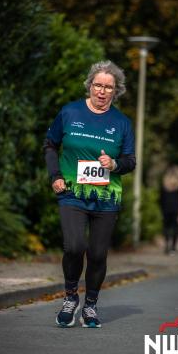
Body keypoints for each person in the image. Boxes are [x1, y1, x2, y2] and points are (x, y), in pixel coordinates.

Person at [44, 60, 136, 328]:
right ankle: (71, 297)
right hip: (72, 192)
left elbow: (130, 161)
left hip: (107, 198)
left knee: (97, 254)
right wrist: (55, 176)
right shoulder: (70, 112)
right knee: (74, 246)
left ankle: (91, 305)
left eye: (108, 87)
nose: (102, 91)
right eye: (98, 85)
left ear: (115, 90)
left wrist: (115, 164)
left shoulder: (122, 122)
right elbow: (50, 145)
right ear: (90, 85)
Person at [159, 165, 178, 255]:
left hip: (165, 209)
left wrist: (161, 208)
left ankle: (166, 246)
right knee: (175, 228)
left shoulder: (164, 184)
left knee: (166, 227)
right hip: (176, 209)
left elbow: (161, 198)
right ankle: (173, 247)